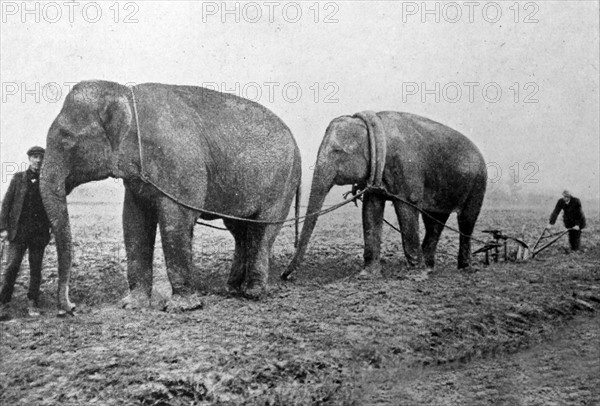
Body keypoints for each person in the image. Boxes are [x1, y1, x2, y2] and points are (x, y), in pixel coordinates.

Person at [0, 146, 51, 318]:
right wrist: (3, 229)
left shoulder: (47, 181)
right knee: (12, 266)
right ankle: (4, 301)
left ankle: (32, 302)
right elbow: (6, 203)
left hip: (38, 234)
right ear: (29, 159)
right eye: (35, 157)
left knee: (36, 269)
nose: (38, 160)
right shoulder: (18, 178)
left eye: (41, 157)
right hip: (18, 232)